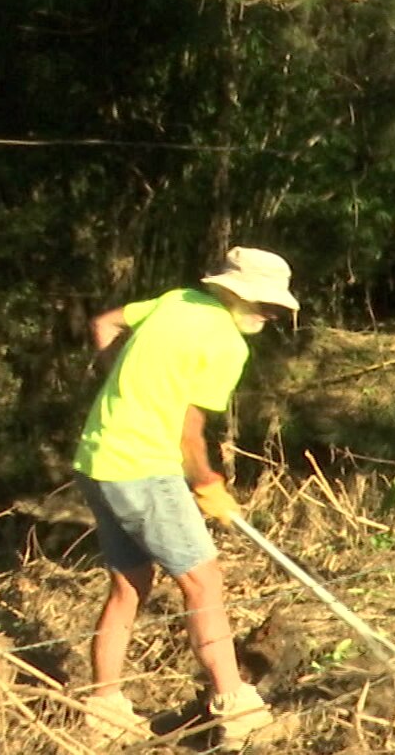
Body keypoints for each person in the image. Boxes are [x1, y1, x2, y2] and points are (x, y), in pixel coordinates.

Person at [73, 247, 297, 748]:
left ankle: (104, 707)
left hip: (97, 460)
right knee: (203, 582)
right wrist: (207, 483)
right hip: (143, 469)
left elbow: (105, 324)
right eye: (263, 303)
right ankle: (235, 707)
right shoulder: (226, 345)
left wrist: (123, 381)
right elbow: (189, 432)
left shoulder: (174, 301)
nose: (269, 313)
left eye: (276, 308)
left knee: (130, 585)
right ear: (232, 292)